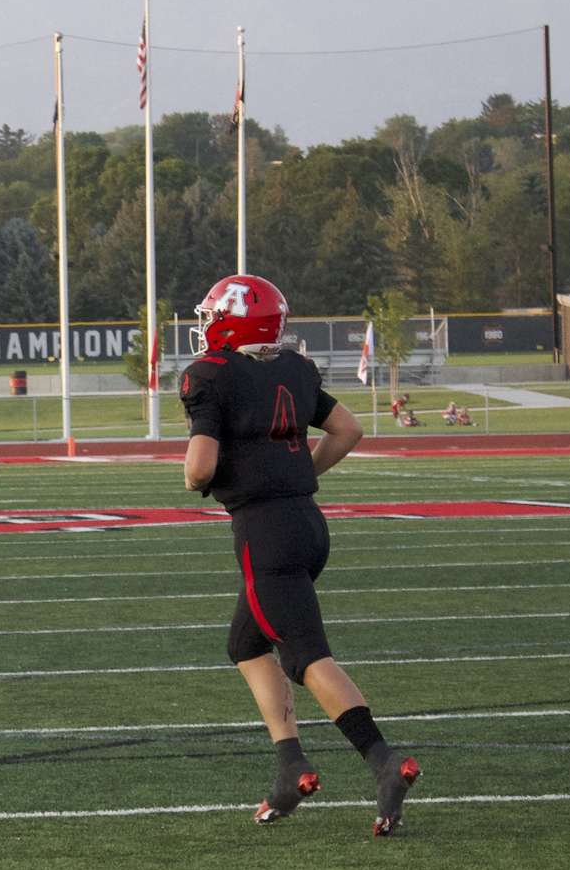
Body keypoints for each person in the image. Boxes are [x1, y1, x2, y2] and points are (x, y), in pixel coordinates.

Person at [180, 274, 420, 836]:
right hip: (308, 527)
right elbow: (348, 429)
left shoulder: (210, 375)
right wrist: (299, 474)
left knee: (307, 657)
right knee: (245, 644)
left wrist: (195, 481)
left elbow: (200, 468)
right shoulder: (296, 367)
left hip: (265, 532)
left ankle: (383, 760)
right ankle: (291, 766)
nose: (207, 325)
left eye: (214, 315)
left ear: (235, 320)